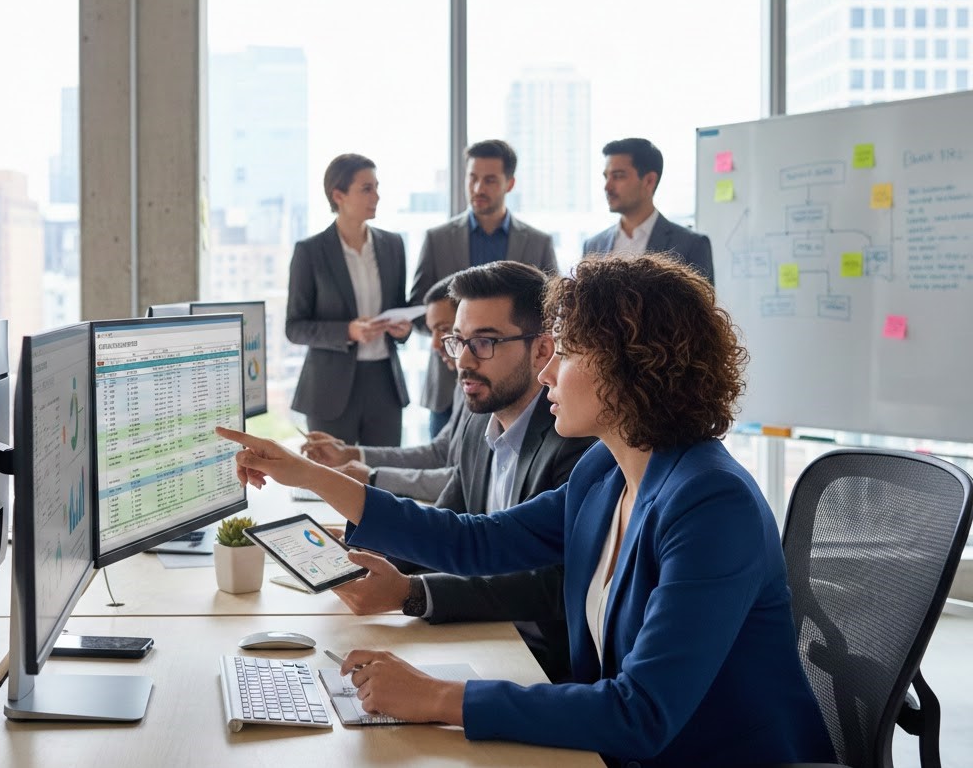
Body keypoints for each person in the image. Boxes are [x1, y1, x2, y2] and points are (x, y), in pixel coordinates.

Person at [219, 253, 835, 767]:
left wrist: (437, 698)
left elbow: (640, 713)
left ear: (626, 368)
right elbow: (475, 542)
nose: (544, 372)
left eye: (563, 352)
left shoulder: (709, 504)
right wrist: (307, 474)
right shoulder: (604, 470)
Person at [301, 260, 594, 683]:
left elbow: (547, 587)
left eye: (485, 343)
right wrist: (360, 555)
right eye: (459, 341)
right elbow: (449, 524)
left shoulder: (575, 442)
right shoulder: (479, 421)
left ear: (542, 350)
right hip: (485, 637)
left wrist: (412, 594)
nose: (463, 361)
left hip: (541, 664)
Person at [411, 139, 558, 438]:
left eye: (489, 180)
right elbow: (419, 310)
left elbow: (552, 312)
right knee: (443, 465)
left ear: (510, 183)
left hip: (512, 383)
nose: (478, 188)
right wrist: (449, 338)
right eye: (472, 178)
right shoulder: (437, 239)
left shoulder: (537, 241)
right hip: (447, 383)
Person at [285, 153, 412, 446]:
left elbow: (400, 306)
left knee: (382, 479)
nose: (376, 196)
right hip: (330, 389)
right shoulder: (310, 251)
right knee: (332, 481)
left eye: (377, 187)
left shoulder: (393, 245)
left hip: (384, 384)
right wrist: (348, 331)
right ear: (338, 195)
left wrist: (402, 328)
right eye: (366, 188)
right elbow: (295, 327)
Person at [301, 275, 462, 501]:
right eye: (432, 331)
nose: (435, 345)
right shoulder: (464, 384)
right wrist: (350, 454)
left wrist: (373, 477)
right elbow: (439, 454)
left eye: (444, 329)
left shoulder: (488, 390)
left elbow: (464, 482)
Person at [583, 137, 714, 283]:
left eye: (618, 176)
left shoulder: (691, 245)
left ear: (649, 181)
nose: (607, 187)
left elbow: (700, 305)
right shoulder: (593, 245)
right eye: (606, 177)